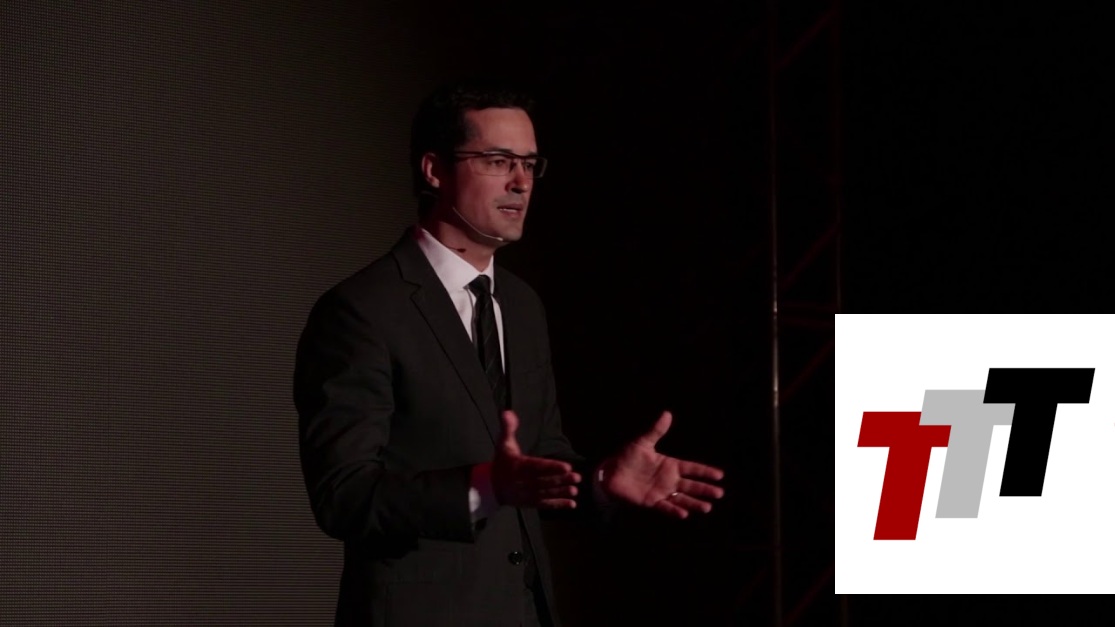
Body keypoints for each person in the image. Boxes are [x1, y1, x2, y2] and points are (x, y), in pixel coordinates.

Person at [293, 79, 726, 627]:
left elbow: (540, 457)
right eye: (498, 161)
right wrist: (484, 486)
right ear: (434, 170)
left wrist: (598, 482)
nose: (521, 182)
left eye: (529, 164)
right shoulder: (361, 310)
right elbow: (344, 496)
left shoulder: (521, 305)